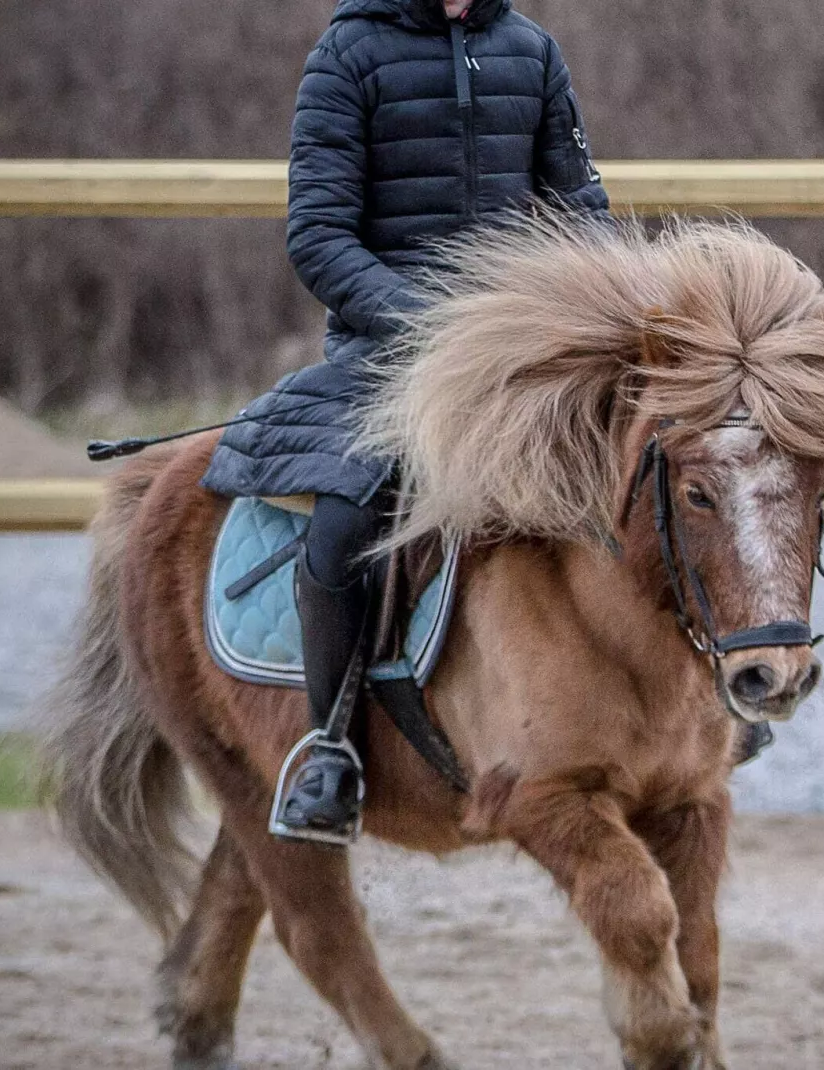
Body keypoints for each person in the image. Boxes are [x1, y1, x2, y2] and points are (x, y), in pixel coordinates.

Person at [200, 0, 609, 845]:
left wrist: (604, 308)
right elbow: (319, 237)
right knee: (346, 520)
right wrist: (431, 324)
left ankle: (705, 687)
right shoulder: (347, 54)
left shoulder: (530, 51)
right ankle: (332, 749)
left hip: (522, 361)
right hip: (390, 359)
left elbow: (582, 212)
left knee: (660, 469)